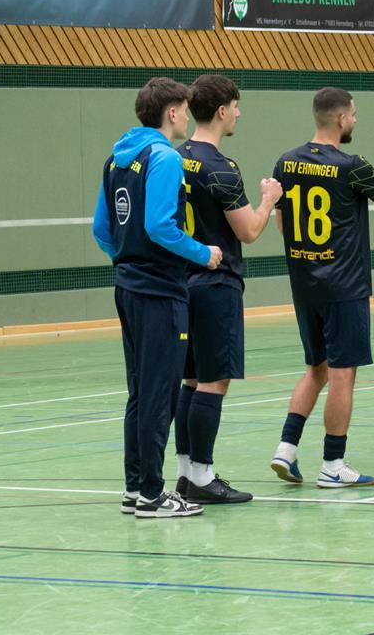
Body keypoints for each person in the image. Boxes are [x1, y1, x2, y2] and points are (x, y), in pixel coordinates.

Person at [92, 77, 222, 519]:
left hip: (127, 287)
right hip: (160, 290)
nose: (186, 117)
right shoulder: (164, 158)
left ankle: (135, 488)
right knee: (159, 394)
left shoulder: (116, 158)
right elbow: (160, 227)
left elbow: (102, 231)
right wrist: (204, 254)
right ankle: (152, 494)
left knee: (139, 392)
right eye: (184, 110)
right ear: (172, 112)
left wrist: (128, 262)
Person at [268, 88, 374, 489]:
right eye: (354, 115)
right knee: (343, 375)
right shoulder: (353, 165)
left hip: (304, 283)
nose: (356, 121)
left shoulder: (286, 162)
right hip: (344, 285)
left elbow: (281, 223)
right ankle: (332, 464)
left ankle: (286, 448)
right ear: (342, 118)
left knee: (317, 369)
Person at [173, 74, 281, 505]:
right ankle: (202, 476)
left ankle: (185, 473)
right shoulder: (222, 168)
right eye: (236, 106)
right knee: (214, 383)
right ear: (221, 111)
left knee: (190, 380)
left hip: (181, 281)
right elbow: (250, 230)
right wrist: (269, 197)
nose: (239, 113)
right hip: (216, 284)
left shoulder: (174, 157)